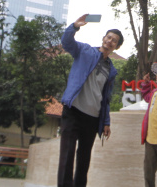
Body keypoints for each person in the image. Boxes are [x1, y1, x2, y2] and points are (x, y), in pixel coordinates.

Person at [57, 14, 123, 187]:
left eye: (114, 40)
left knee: (84, 159)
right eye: (108, 37)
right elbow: (67, 43)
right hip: (73, 111)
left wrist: (106, 122)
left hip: (92, 118)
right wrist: (74, 26)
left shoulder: (112, 70)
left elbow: (106, 98)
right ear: (103, 38)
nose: (110, 41)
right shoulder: (85, 50)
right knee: (67, 154)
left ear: (117, 46)